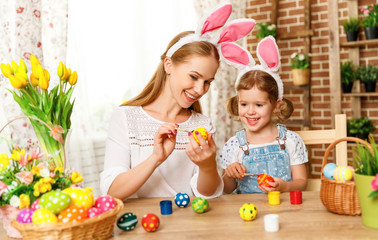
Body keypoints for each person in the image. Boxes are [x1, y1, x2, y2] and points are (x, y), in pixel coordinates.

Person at [100, 3, 255, 199]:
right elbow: (112, 192)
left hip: (187, 224)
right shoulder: (125, 118)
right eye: (193, 77)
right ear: (169, 65)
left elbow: (208, 194)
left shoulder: (201, 124)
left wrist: (207, 165)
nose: (200, 90)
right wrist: (156, 158)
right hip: (140, 225)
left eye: (207, 82)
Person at [219, 36, 308, 194]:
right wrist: (229, 174)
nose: (250, 111)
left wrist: (285, 187)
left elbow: (301, 183)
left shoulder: (291, 141)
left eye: (259, 105)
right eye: (244, 104)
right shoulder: (234, 146)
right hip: (246, 215)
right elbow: (226, 190)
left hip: (284, 210)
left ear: (276, 105)